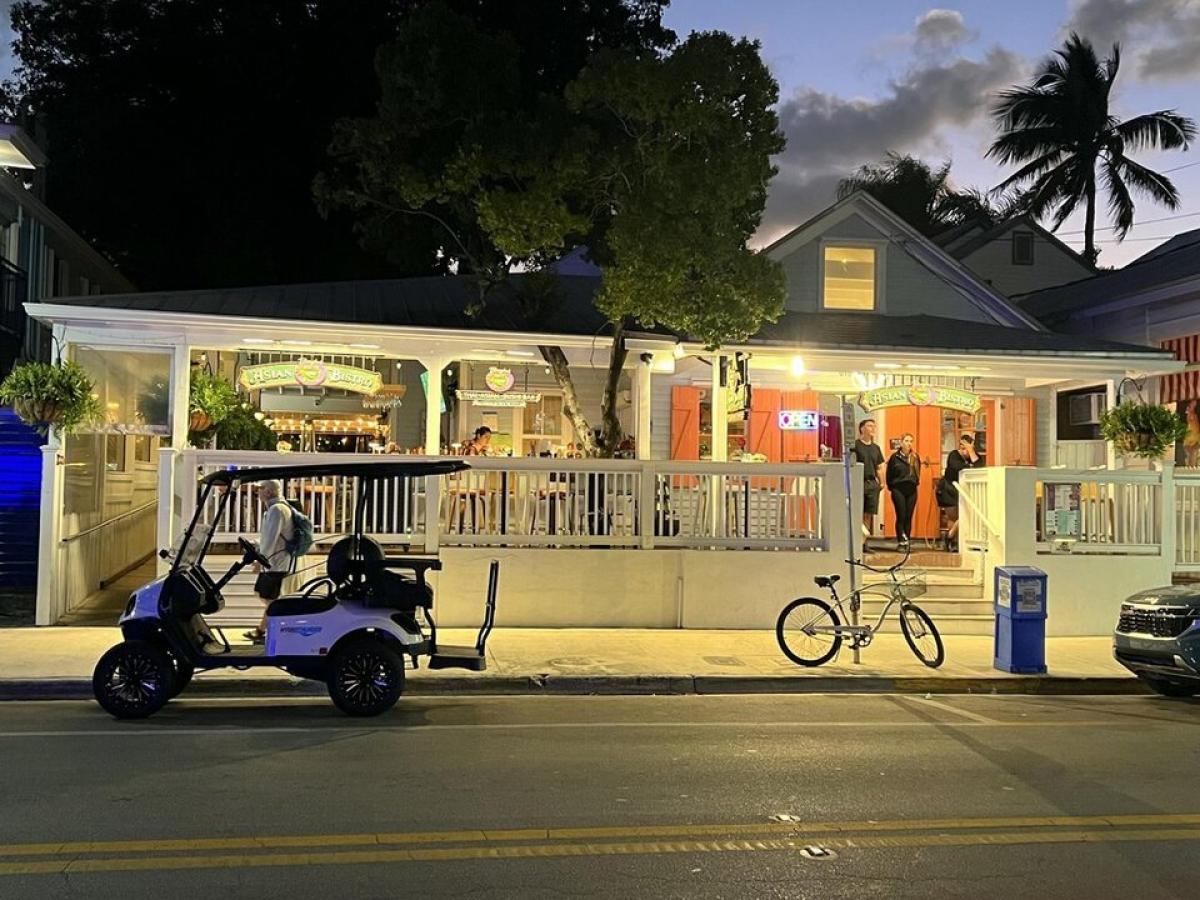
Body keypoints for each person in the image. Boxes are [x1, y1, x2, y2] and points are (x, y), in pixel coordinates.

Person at [243, 479, 294, 644]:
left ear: (270, 492)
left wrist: (260, 561)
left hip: (275, 563)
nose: (258, 492)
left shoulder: (277, 510)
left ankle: (264, 631)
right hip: (274, 562)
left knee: (271, 599)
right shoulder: (275, 509)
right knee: (269, 597)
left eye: (261, 489)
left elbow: (271, 539)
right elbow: (269, 537)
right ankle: (264, 630)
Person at [939, 433, 984, 551]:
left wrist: (971, 452)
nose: (965, 452)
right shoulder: (953, 455)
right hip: (949, 489)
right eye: (963, 448)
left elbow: (979, 466)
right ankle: (952, 542)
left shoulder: (972, 455)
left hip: (965, 490)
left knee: (964, 515)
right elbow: (958, 467)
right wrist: (970, 464)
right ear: (960, 446)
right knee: (953, 517)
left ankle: (950, 536)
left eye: (968, 448)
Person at [851, 419, 886, 550]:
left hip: (872, 483)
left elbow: (879, 466)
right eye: (869, 426)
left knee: (868, 513)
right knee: (858, 512)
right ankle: (855, 542)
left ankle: (864, 543)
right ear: (862, 429)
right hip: (858, 482)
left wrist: (882, 482)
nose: (872, 428)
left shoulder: (875, 448)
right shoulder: (855, 445)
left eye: (873, 426)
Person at [886, 433, 921, 550]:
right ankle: (901, 541)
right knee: (901, 515)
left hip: (911, 490)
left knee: (909, 516)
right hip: (898, 489)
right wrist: (892, 487)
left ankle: (907, 541)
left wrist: (915, 482)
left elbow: (917, 473)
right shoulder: (894, 457)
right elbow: (889, 474)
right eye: (906, 441)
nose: (909, 443)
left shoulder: (915, 457)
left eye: (911, 441)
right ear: (901, 442)